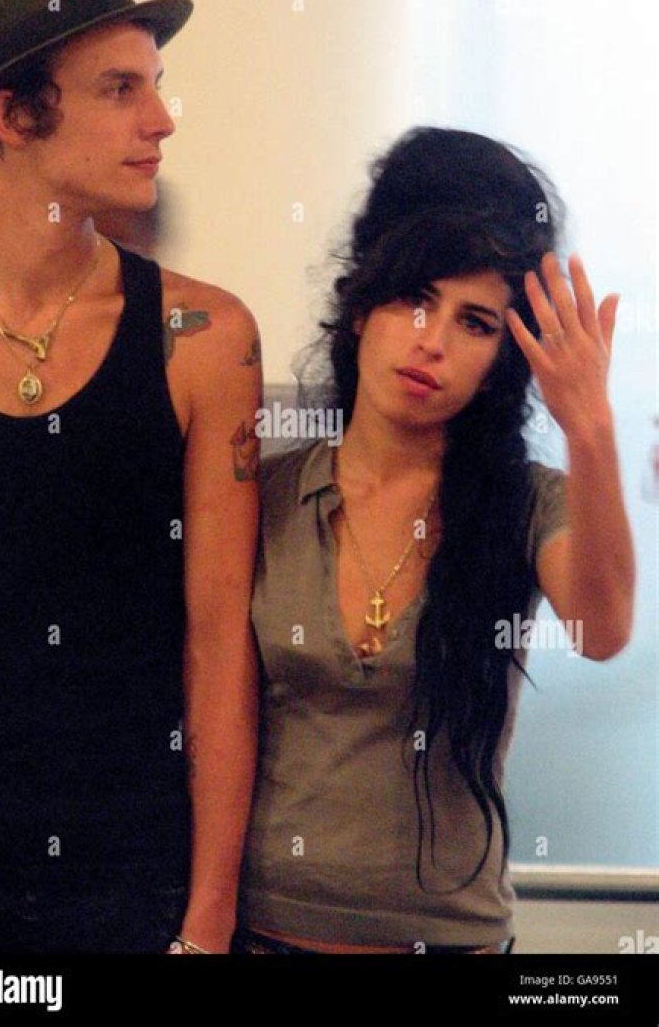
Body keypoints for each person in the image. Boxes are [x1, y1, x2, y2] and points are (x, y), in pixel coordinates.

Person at [236, 127, 635, 954]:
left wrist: (591, 428)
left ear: (500, 361)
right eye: (414, 297)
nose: (433, 340)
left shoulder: (525, 503)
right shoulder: (263, 495)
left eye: (476, 322)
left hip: (451, 938)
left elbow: (602, 630)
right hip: (266, 927)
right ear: (361, 305)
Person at [0, 0, 260, 954]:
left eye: (154, 83)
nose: (161, 118)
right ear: (12, 116)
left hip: (127, 880)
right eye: (120, 89)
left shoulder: (204, 337)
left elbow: (220, 646)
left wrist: (207, 924)